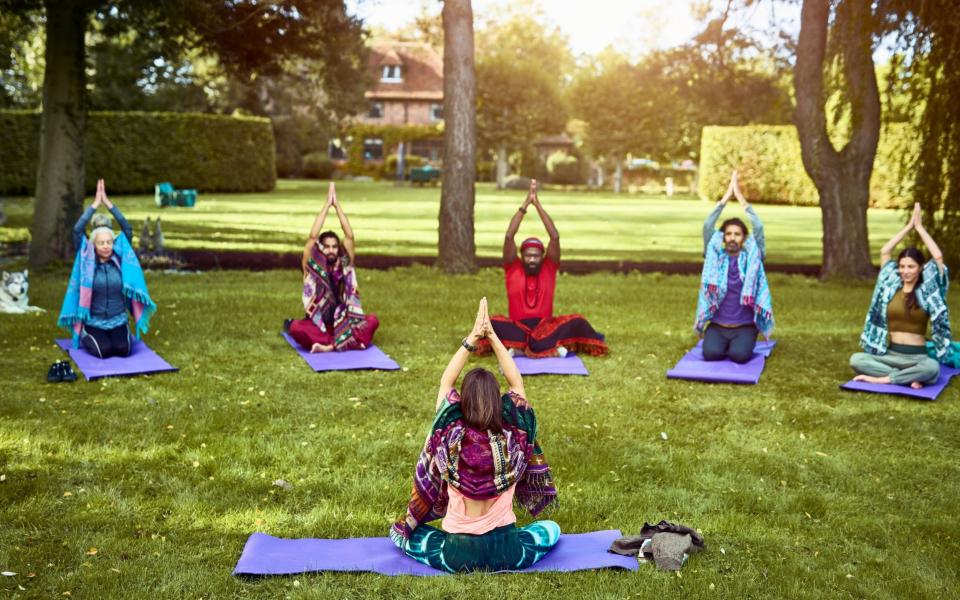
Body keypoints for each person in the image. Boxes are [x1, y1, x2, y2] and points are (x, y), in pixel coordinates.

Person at [391, 298, 560, 573]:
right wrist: (492, 336)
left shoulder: (450, 436)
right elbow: (516, 383)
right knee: (550, 529)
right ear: (498, 401)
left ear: (463, 402)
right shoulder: (513, 436)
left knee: (403, 533)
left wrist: (473, 337)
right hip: (508, 551)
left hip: (458, 554)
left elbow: (446, 382)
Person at [478, 179, 608, 358]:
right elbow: (509, 236)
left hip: (546, 327)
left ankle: (522, 348)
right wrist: (525, 205)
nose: (532, 259)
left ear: (542, 257)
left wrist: (537, 205)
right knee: (487, 323)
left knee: (577, 320)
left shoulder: (549, 267)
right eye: (528, 255)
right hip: (517, 327)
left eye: (536, 255)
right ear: (522, 256)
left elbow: (554, 236)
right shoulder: (513, 267)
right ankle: (544, 347)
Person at [850, 203, 952, 388]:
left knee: (932, 368)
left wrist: (919, 227)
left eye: (911, 266)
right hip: (890, 355)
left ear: (920, 268)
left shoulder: (928, 291)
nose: (905, 271)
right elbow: (885, 251)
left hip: (917, 357)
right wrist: (908, 227)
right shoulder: (890, 286)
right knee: (857, 359)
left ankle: (885, 379)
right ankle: (905, 378)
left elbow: (937, 257)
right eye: (902, 266)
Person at [58, 179, 156, 358]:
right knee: (104, 351)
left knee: (123, 350)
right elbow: (77, 231)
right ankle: (85, 333)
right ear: (93, 244)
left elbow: (126, 228)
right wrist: (95, 204)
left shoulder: (120, 257)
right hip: (94, 321)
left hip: (118, 320)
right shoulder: (87, 258)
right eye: (101, 243)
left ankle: (118, 333)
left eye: (109, 242)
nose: (106, 246)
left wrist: (109, 204)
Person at [286, 182, 379, 352]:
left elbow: (349, 236)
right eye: (327, 246)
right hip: (319, 322)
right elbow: (313, 237)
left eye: (334, 246)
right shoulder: (312, 267)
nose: (331, 250)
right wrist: (326, 205)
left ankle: (329, 345)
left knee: (372, 320)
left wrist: (337, 206)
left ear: (338, 248)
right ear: (321, 248)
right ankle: (343, 342)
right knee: (296, 328)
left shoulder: (344, 263)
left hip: (343, 320)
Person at [694, 170, 774, 363]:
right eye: (728, 234)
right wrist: (725, 199)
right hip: (718, 325)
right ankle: (720, 341)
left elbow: (759, 228)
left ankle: (745, 340)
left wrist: (740, 198)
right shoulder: (714, 257)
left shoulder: (753, 258)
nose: (732, 238)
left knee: (739, 356)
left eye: (737, 234)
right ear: (722, 237)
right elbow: (707, 226)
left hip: (744, 325)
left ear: (744, 238)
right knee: (711, 355)